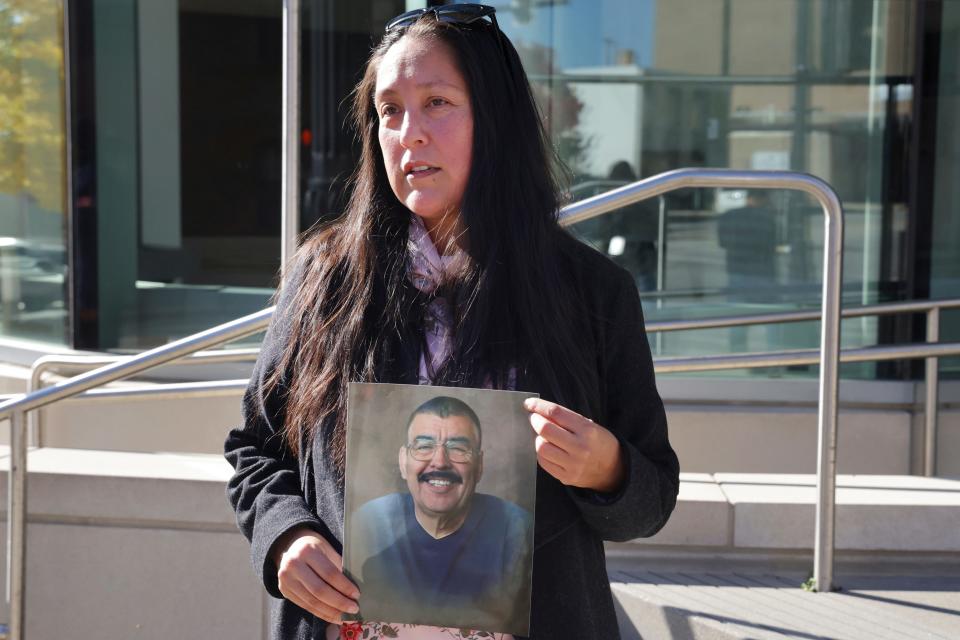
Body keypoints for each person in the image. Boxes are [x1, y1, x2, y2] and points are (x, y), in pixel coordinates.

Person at [224, 4, 680, 640]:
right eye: (389, 110)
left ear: (496, 121)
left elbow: (652, 496)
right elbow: (256, 450)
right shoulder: (325, 277)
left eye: (436, 101)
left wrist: (606, 468)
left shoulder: (593, 292)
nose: (409, 132)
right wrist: (284, 538)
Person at [347, 396, 532, 633]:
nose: (440, 462)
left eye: (458, 448)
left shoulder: (517, 531)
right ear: (403, 462)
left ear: (479, 465)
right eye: (424, 446)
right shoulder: (369, 524)